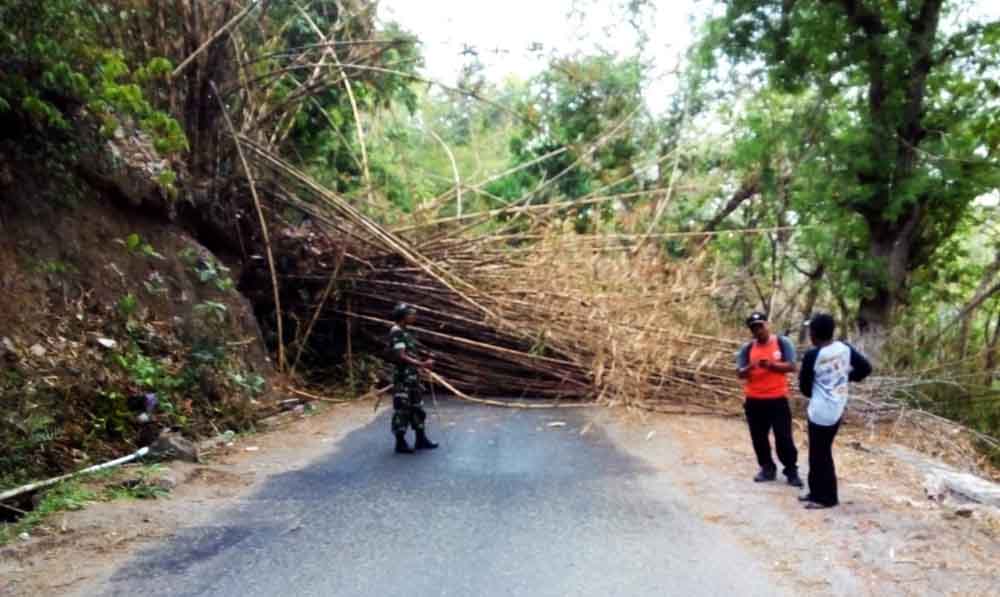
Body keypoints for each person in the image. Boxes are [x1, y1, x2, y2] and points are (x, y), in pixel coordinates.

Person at [798, 313, 872, 509]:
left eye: (810, 332)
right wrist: (845, 377)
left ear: (814, 334)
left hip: (819, 412)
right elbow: (865, 368)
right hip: (837, 408)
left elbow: (805, 389)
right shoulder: (844, 348)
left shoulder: (813, 356)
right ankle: (815, 492)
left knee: (820, 455)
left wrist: (819, 387)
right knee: (819, 452)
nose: (809, 335)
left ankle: (827, 498)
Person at [736, 312, 803, 487]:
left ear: (767, 324)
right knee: (758, 437)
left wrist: (772, 365)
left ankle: (791, 470)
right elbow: (739, 372)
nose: (758, 330)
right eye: (754, 328)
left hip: (777, 399)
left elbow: (792, 366)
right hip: (754, 400)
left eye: (760, 326)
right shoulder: (747, 348)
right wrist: (749, 368)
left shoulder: (782, 342)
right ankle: (767, 468)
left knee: (784, 437)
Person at [388, 303, 438, 454]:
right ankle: (400, 443)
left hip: (412, 377)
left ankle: (420, 439)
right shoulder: (396, 331)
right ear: (402, 316)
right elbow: (401, 355)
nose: (414, 316)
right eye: (411, 314)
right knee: (402, 409)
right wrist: (422, 364)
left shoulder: (406, 331)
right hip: (403, 378)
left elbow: (410, 352)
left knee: (417, 407)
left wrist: (424, 360)